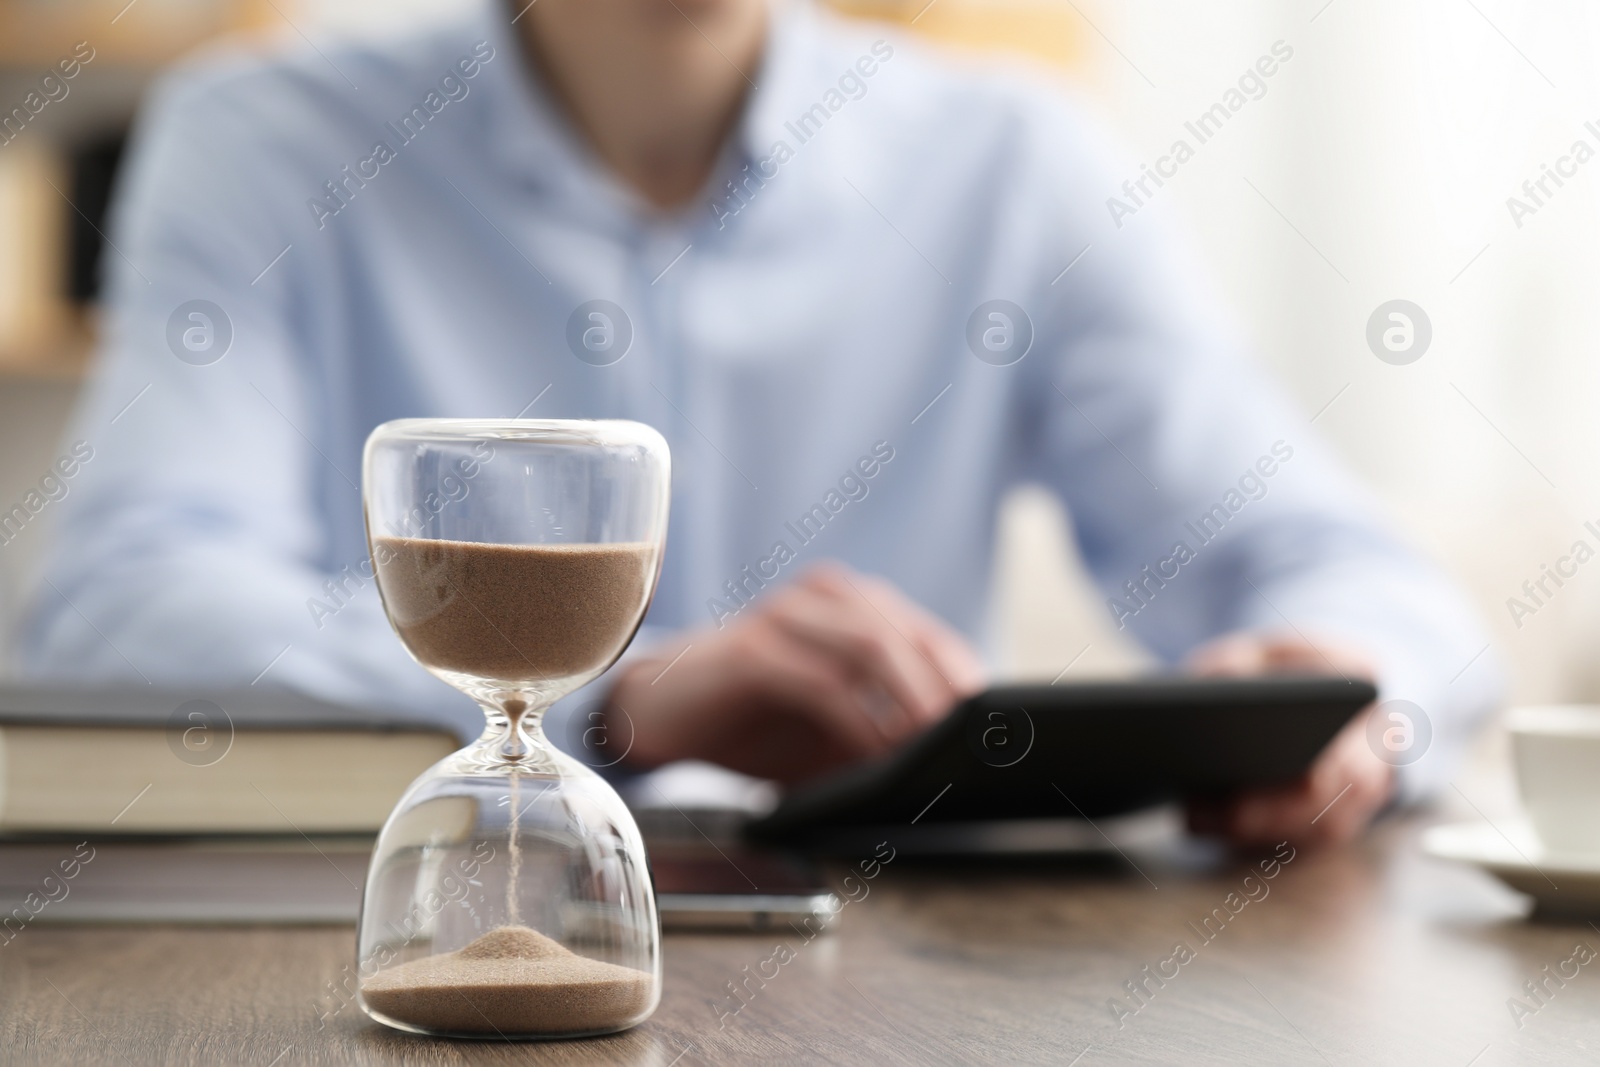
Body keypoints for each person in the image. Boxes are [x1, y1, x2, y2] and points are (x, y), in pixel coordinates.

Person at [16, 0, 1499, 846]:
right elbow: (122, 603)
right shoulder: (260, 141)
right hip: (434, 928)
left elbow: (1339, 569)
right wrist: (621, 696)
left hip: (902, 979)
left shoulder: (1011, 158)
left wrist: (1347, 695)